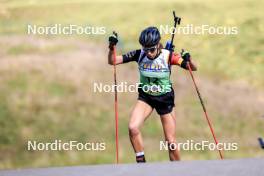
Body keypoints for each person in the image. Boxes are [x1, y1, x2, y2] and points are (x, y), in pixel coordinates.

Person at [108, 26, 197, 163]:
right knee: (133, 128)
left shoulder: (168, 56)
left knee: (171, 143)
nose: (148, 53)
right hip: (146, 98)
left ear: (158, 45)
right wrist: (111, 47)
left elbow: (192, 68)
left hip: (164, 99)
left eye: (152, 49)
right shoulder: (139, 54)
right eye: (145, 49)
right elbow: (113, 61)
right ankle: (142, 166)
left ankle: (179, 171)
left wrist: (189, 59)